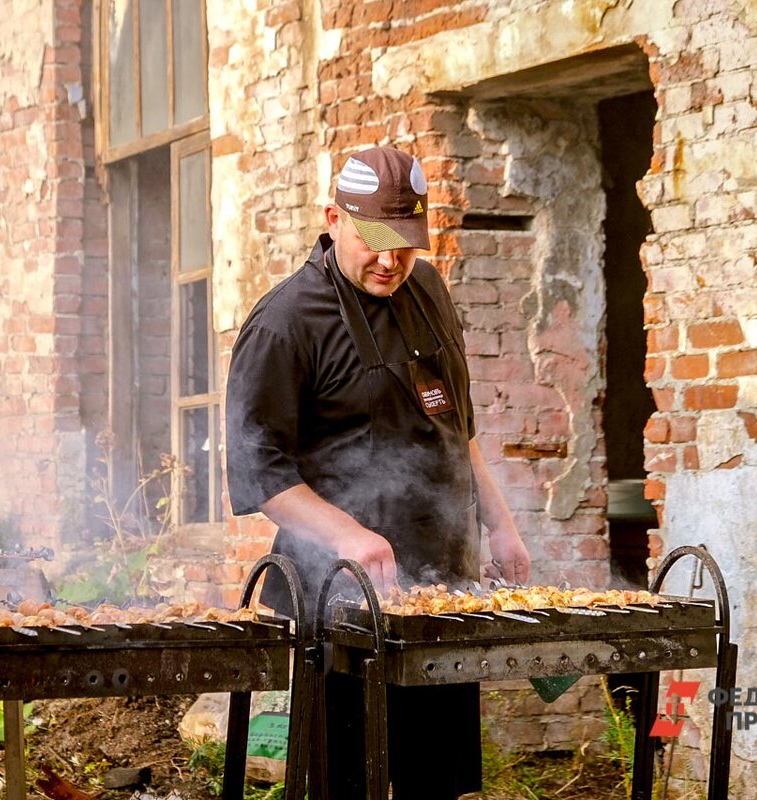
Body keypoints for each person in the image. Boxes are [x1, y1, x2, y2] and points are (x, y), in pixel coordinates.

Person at [225, 145, 531, 798]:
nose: (391, 262)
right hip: (340, 602)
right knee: (349, 784)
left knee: (439, 787)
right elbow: (262, 474)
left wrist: (500, 526)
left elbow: (459, 428)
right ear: (333, 218)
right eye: (374, 242)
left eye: (406, 245)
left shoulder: (429, 289)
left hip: (443, 598)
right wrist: (348, 536)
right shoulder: (284, 324)